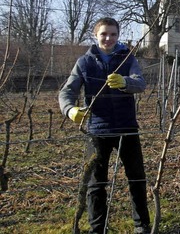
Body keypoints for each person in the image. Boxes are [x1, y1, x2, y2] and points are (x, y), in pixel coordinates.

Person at [59, 17, 151, 234]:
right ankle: (97, 228)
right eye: (104, 34)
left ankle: (142, 225)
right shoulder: (84, 62)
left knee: (136, 177)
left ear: (118, 36)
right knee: (96, 183)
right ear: (95, 35)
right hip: (97, 130)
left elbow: (141, 83)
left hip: (127, 127)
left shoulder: (127, 58)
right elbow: (67, 91)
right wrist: (70, 110)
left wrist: (126, 82)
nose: (108, 38)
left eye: (113, 34)